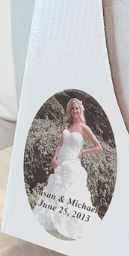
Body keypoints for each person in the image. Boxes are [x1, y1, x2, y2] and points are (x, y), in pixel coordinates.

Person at [32, 98, 104, 240]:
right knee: (56, 190)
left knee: (71, 193)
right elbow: (60, 145)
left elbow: (99, 147)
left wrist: (83, 152)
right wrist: (54, 158)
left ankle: (70, 224)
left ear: (80, 110)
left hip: (73, 163)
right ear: (70, 111)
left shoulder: (84, 128)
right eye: (72, 109)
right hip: (61, 161)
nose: (75, 111)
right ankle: (52, 221)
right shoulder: (67, 127)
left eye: (77, 108)